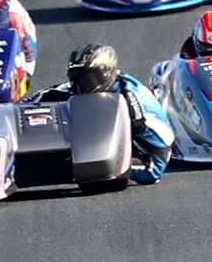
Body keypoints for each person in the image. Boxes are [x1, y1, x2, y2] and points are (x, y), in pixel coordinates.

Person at [56, 42, 175, 185]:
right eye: (76, 79)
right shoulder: (88, 87)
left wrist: (119, 167)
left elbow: (156, 165)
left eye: (86, 80)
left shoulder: (131, 100)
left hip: (147, 152)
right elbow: (57, 91)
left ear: (105, 74)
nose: (80, 87)